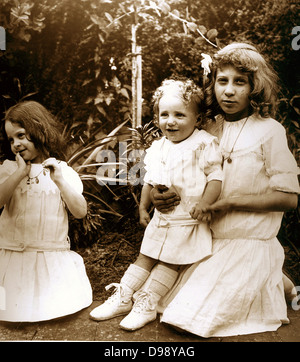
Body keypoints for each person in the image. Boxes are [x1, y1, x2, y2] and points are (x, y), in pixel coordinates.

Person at [150, 43, 300, 338]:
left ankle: (269, 275)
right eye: (222, 81)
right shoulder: (206, 128)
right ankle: (274, 280)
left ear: (254, 86)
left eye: (239, 82)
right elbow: (175, 169)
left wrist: (230, 203)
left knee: (192, 319)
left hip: (248, 239)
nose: (228, 91)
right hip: (207, 240)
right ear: (213, 84)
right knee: (167, 307)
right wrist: (159, 194)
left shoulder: (270, 131)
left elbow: (289, 198)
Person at [90, 78, 223, 330]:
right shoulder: (157, 147)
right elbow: (149, 182)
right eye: (164, 114)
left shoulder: (204, 144)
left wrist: (205, 203)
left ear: (197, 119)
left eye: (179, 115)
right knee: (145, 256)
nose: (170, 121)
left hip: (188, 219)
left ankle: (148, 302)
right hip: (162, 219)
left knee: (170, 261)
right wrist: (143, 208)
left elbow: (215, 177)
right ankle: (123, 295)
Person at [0, 101, 93, 322]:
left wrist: (59, 180)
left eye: (21, 135)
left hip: (50, 256)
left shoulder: (61, 170)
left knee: (53, 307)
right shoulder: (9, 169)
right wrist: (19, 174)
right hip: (12, 255)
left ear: (38, 130)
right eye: (11, 139)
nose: (16, 144)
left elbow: (80, 212)